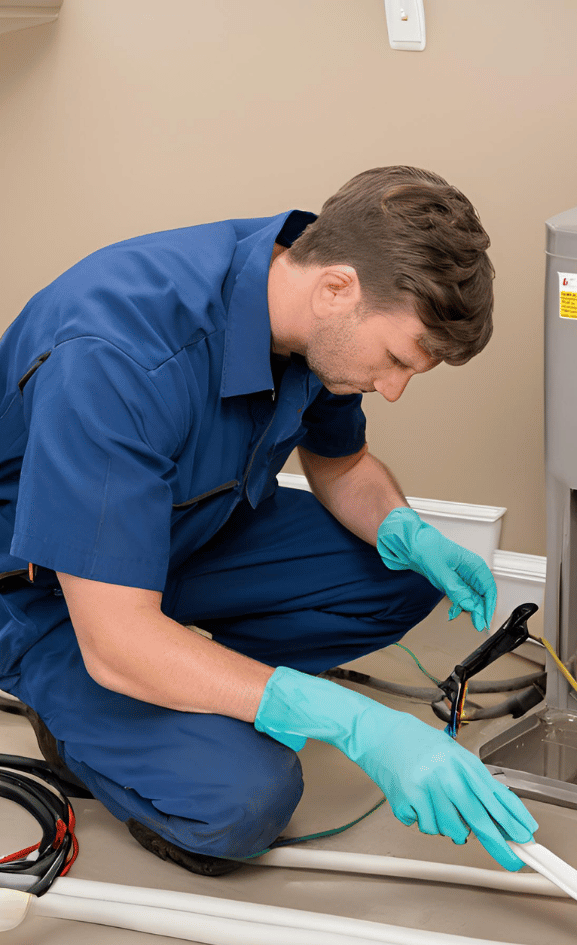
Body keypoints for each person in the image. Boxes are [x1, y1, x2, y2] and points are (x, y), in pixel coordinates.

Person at [0, 165, 538, 876]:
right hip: (53, 596)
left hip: (182, 539)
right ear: (338, 288)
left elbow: (342, 466)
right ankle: (85, 727)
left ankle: (201, 689)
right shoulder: (117, 360)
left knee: (396, 574)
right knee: (245, 799)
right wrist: (353, 722)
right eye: (396, 360)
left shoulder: (296, 289)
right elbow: (117, 637)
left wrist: (409, 533)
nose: (394, 390)